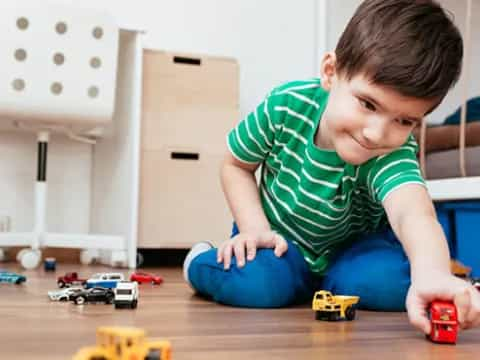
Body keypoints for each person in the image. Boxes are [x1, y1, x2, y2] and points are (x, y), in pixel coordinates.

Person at [183, 0, 480, 334]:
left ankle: (346, 282)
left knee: (390, 282)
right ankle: (198, 262)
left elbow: (413, 213)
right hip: (276, 240)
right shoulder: (284, 107)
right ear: (330, 72)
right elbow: (235, 165)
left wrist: (434, 275)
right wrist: (254, 229)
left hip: (352, 253)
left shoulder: (392, 151)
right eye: (368, 104)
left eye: (404, 120)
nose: (376, 133)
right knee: (258, 283)